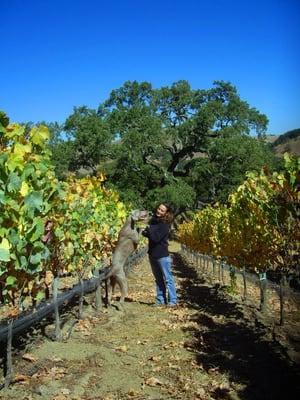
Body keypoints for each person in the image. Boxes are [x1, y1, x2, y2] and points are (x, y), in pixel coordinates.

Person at [142, 203, 177, 307]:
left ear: (166, 213)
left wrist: (148, 230)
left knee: (168, 279)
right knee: (158, 279)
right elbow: (147, 233)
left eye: (162, 210)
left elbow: (155, 238)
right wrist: (147, 231)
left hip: (162, 256)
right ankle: (160, 300)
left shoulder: (165, 225)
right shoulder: (153, 221)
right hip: (152, 254)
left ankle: (173, 301)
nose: (159, 211)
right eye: (159, 209)